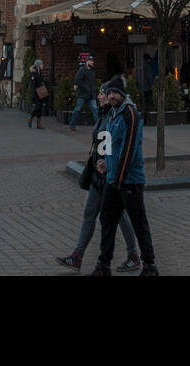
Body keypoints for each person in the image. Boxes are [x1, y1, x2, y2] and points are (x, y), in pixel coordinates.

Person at [56, 86, 140, 273]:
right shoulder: (103, 114)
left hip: (108, 177)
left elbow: (116, 146)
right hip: (97, 175)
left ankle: (134, 255)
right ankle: (77, 256)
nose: (101, 96)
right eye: (102, 93)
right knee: (89, 214)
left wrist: (110, 168)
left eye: (104, 93)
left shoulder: (114, 117)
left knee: (120, 216)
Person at [90, 76, 158, 276]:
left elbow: (129, 148)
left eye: (114, 93)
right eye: (108, 93)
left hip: (130, 181)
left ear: (122, 94)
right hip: (113, 179)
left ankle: (149, 265)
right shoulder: (112, 114)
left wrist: (119, 176)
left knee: (139, 222)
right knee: (107, 219)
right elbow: (111, 144)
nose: (111, 96)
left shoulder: (130, 114)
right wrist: (104, 163)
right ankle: (104, 264)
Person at [68, 57, 97, 129]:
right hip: (82, 95)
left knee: (95, 109)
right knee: (77, 110)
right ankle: (72, 125)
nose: (92, 62)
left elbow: (93, 83)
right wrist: (86, 88)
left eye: (93, 61)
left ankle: (99, 126)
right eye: (91, 61)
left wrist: (93, 92)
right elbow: (77, 81)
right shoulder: (82, 70)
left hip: (91, 95)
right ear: (87, 62)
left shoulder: (93, 71)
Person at [28, 58, 48, 129]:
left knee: (40, 108)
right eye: (42, 64)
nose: (43, 65)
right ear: (38, 65)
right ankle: (30, 118)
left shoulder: (40, 73)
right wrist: (32, 94)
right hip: (36, 93)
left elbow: (41, 82)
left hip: (41, 92)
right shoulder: (34, 73)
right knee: (38, 107)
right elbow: (33, 84)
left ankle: (38, 123)